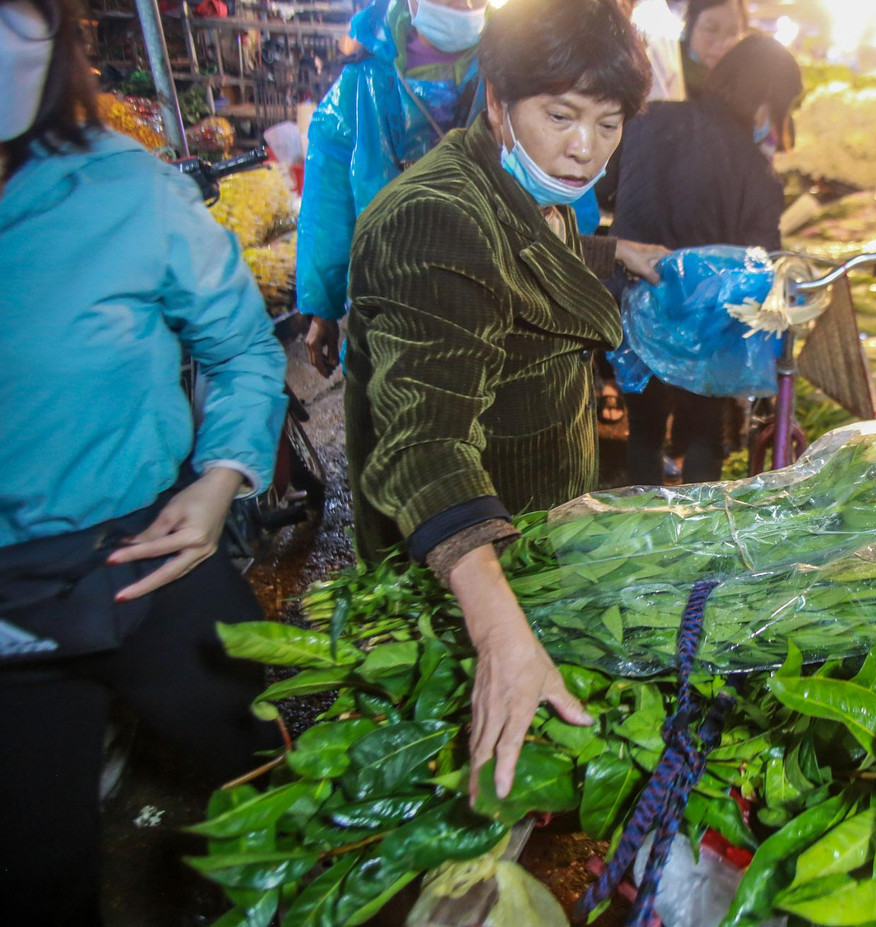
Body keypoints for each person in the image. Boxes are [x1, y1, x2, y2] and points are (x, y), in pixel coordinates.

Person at [0, 0, 288, 922]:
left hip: (151, 548)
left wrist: (219, 481)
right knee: (37, 868)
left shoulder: (127, 188)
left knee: (268, 758)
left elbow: (242, 349)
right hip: (13, 600)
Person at [344, 0, 666, 807]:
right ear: (497, 102)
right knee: (468, 777)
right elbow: (425, 444)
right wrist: (496, 630)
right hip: (468, 575)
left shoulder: (534, 187)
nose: (584, 147)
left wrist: (613, 251)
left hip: (538, 535)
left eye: (608, 123)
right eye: (560, 115)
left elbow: (530, 257)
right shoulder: (433, 219)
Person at [608, 34, 802, 485]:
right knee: (704, 436)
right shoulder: (755, 168)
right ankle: (700, 527)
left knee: (643, 434)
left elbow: (603, 188)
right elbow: (763, 261)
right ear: (767, 100)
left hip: (634, 305)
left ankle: (641, 519)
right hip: (709, 327)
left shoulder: (648, 119)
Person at [297, 0, 489, 378]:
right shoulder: (362, 79)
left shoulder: (517, 62)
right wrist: (323, 307)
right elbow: (329, 197)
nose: (465, 4)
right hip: (386, 303)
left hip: (487, 305)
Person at [680, 0, 746, 98]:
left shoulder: (748, 88)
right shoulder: (669, 79)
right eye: (710, 29)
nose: (722, 43)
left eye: (733, 33)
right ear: (689, 26)